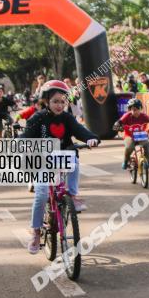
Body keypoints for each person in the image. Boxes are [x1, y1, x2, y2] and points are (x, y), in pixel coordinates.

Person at [20, 80, 99, 253]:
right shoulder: (38, 117)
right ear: (46, 101)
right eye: (55, 101)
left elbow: (80, 130)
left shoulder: (67, 118)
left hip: (62, 157)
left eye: (63, 101)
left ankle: (72, 194)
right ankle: (36, 231)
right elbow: (26, 135)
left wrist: (91, 138)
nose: (59, 105)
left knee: (75, 161)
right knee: (41, 195)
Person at [112, 98, 149, 171]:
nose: (133, 111)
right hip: (129, 136)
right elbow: (119, 121)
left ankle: (147, 161)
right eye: (131, 109)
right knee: (129, 147)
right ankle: (126, 161)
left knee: (147, 144)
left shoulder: (143, 116)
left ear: (140, 109)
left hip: (140, 136)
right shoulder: (127, 115)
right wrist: (116, 125)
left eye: (135, 109)